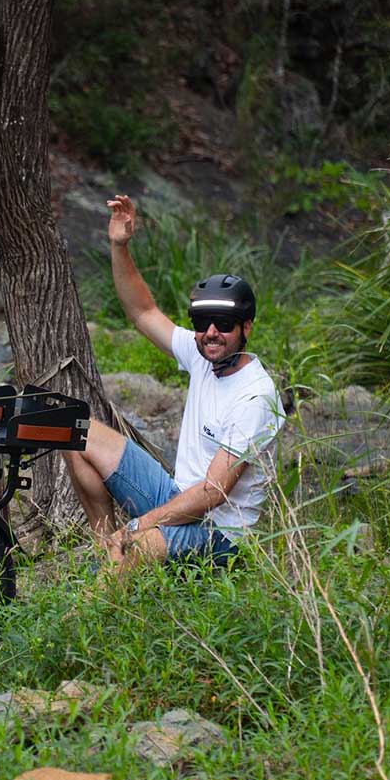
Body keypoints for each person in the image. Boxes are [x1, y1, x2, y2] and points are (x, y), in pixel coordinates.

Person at [64, 195, 283, 571]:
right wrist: (120, 245)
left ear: (246, 327)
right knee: (74, 435)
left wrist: (137, 527)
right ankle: (109, 554)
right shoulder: (202, 355)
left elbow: (213, 493)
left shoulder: (256, 396)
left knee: (136, 546)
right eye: (202, 322)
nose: (211, 333)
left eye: (224, 324)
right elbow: (143, 311)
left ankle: (101, 592)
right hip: (178, 497)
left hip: (219, 535)